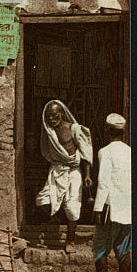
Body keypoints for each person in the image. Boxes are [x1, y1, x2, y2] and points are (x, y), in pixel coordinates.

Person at [35, 99, 93, 253]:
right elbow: (48, 152)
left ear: (61, 113)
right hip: (57, 170)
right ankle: (55, 218)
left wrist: (87, 175)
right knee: (43, 201)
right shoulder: (49, 132)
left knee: (73, 207)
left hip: (73, 171)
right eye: (48, 117)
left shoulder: (74, 129)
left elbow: (86, 153)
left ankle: (70, 240)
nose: (52, 119)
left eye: (54, 115)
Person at [89, 113, 131, 272]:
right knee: (124, 250)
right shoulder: (130, 152)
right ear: (123, 132)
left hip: (110, 208)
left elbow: (104, 182)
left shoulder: (105, 152)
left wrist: (97, 209)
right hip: (128, 209)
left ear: (107, 130)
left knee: (100, 247)